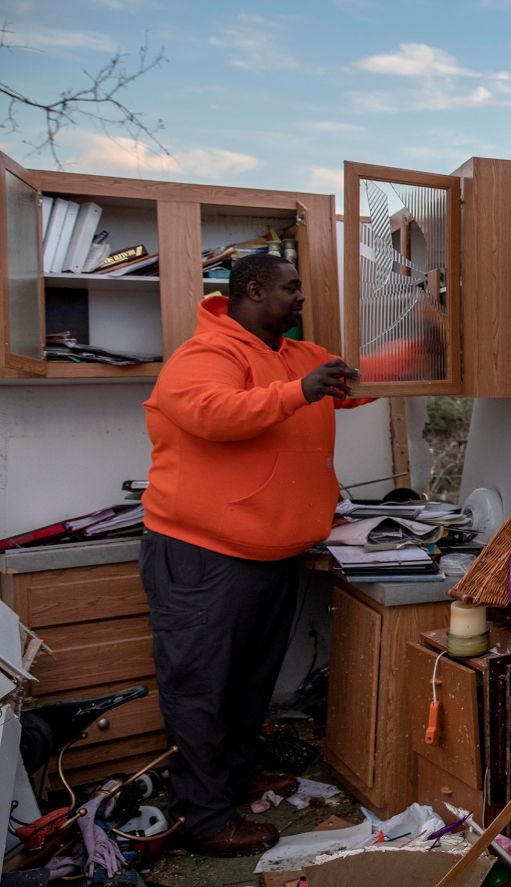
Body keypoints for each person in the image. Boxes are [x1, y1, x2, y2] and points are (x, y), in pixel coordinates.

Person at [140, 254, 370, 855]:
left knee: (248, 684)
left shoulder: (297, 354)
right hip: (202, 554)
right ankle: (203, 817)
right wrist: (299, 392)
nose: (300, 297)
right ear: (251, 290)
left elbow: (357, 383)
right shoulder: (205, 354)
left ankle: (237, 777)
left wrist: (427, 342)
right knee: (200, 689)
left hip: (274, 552)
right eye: (290, 288)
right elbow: (213, 415)